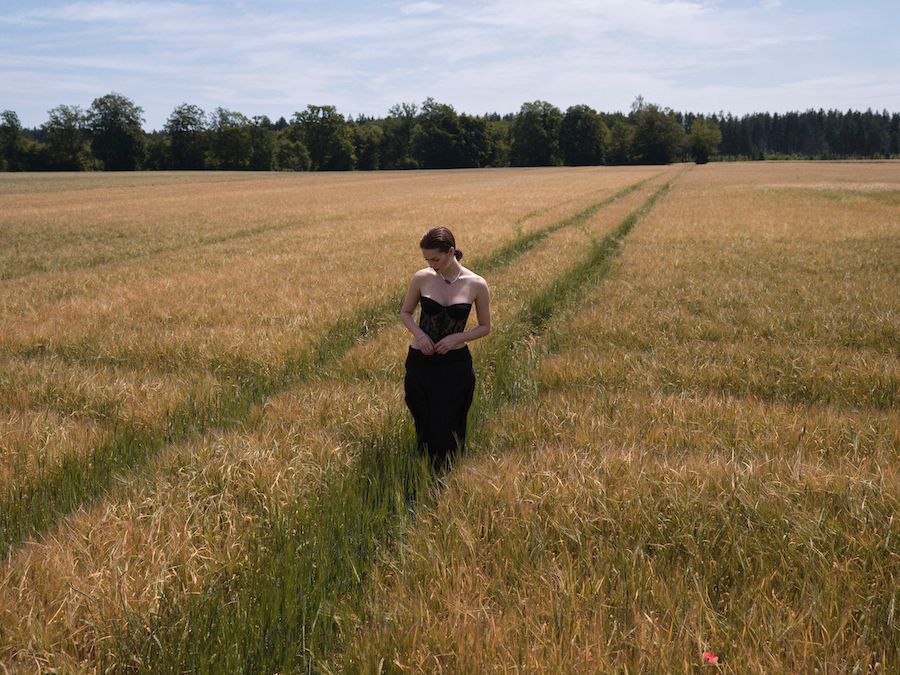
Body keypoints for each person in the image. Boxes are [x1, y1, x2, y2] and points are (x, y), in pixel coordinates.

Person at [400, 227, 491, 470]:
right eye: (427, 259)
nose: (431, 264)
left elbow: (485, 327)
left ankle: (450, 475)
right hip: (421, 361)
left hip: (455, 364)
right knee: (423, 417)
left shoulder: (476, 284)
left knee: (451, 421)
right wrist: (419, 335)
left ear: (451, 252)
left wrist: (456, 338)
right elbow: (406, 313)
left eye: (436, 258)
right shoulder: (421, 278)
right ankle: (424, 473)